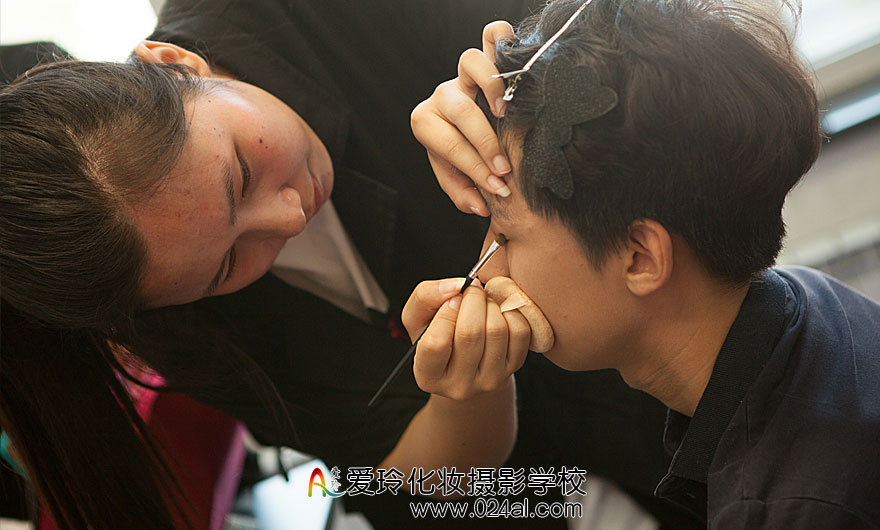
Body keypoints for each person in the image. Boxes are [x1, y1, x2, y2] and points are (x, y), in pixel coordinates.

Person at [0, 1, 549, 528]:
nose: (290, 219)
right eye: (227, 265)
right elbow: (420, 469)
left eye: (241, 176)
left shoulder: (310, 15)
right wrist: (470, 385)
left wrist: (530, 92)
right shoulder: (178, 320)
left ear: (175, 63)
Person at [408, 0, 880, 527]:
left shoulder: (785, 512)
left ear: (640, 258)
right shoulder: (812, 302)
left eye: (505, 236)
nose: (486, 273)